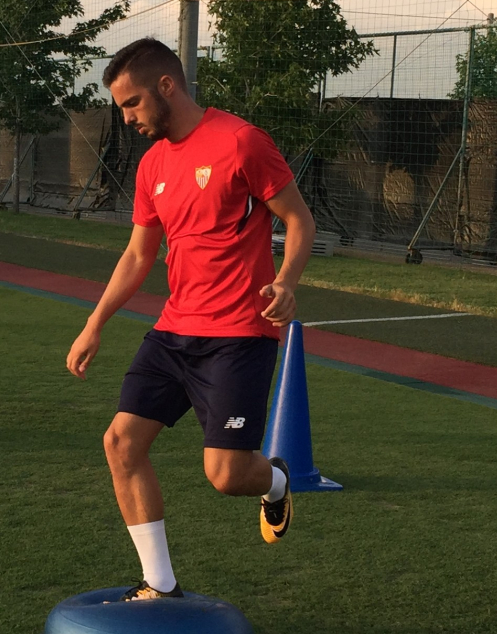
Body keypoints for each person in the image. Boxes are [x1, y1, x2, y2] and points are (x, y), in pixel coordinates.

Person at [66, 39, 316, 601]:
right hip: (175, 329)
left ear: (166, 87)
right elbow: (138, 255)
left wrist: (287, 282)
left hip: (239, 336)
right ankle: (161, 584)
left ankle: (274, 479)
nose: (126, 119)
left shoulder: (242, 142)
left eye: (131, 104)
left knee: (226, 476)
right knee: (121, 443)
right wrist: (95, 323)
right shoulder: (152, 164)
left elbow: (300, 221)